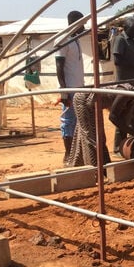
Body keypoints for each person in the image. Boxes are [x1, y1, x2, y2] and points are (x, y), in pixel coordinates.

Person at [66, 81, 134, 167]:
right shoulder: (125, 94)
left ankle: (87, 164)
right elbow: (113, 117)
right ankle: (96, 170)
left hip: (95, 104)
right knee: (92, 137)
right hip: (84, 100)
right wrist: (133, 132)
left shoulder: (133, 99)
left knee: (96, 135)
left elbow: (123, 119)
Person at [56, 10, 86, 162]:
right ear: (74, 23)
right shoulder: (64, 39)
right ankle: (68, 155)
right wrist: (64, 92)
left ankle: (75, 154)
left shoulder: (76, 39)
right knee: (68, 122)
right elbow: (59, 67)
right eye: (82, 23)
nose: (84, 26)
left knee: (77, 122)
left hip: (79, 87)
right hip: (70, 89)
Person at [112, 15, 134, 153]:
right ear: (125, 28)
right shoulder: (120, 39)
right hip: (125, 84)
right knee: (122, 114)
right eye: (133, 29)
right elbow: (117, 61)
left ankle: (132, 144)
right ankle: (118, 147)